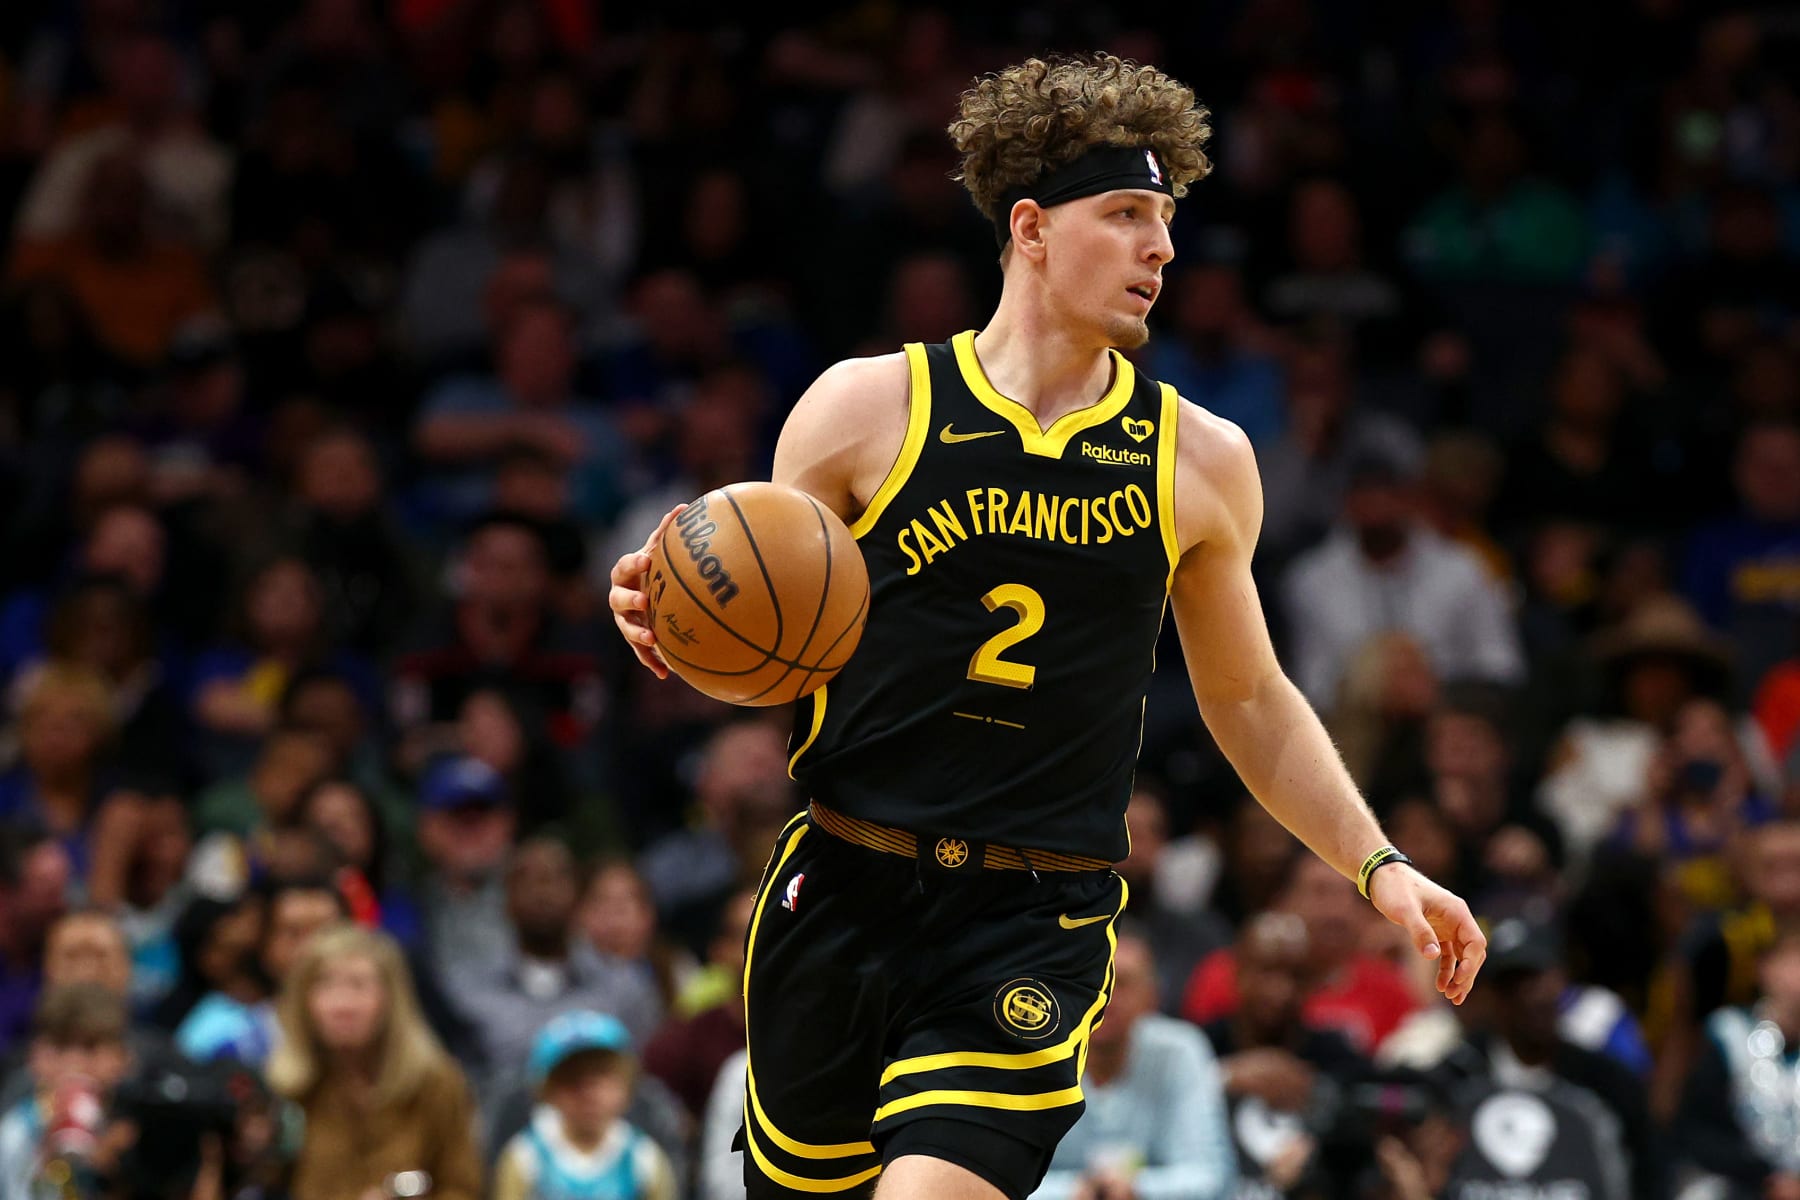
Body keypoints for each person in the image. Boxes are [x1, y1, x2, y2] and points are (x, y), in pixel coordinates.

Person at [609, 53, 1486, 1200]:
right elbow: (778, 639)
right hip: (842, 886)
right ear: (1029, 226)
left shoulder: (1200, 459)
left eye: (1165, 221)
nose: (1160, 249)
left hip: (1030, 918)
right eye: (1126, 215)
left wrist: (1380, 867)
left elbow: (1249, 698)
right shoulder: (862, 409)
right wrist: (674, 609)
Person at [267, 924, 483, 1200]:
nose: (342, 1005)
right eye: (325, 985)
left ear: (391, 998)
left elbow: (464, 1186)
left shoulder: (436, 1081)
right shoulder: (288, 1085)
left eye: (358, 986)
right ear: (303, 1001)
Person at [1031, 930, 1235, 1199]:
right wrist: (1072, 1191)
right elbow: (993, 1178)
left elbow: (1212, 1176)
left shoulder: (1180, 1051)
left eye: (1122, 983)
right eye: (1090, 980)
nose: (1104, 997)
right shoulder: (1033, 1054)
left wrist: (1136, 1188)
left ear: (1152, 997)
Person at [493, 1011, 676, 1200]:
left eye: (602, 1075)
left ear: (627, 1082)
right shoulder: (526, 1157)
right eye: (573, 1078)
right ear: (547, 1090)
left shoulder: (643, 1159)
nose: (590, 1094)